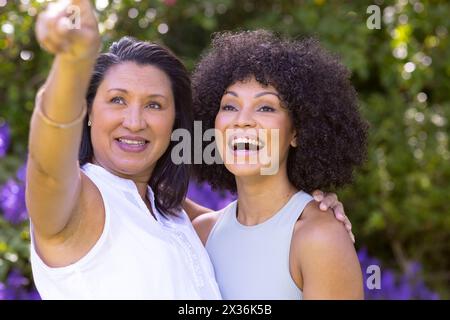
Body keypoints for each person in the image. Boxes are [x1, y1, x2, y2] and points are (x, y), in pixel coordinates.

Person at [28, 0, 352, 299]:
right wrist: (72, 64)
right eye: (117, 100)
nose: (134, 121)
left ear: (174, 124)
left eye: (154, 105)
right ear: (86, 113)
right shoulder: (77, 205)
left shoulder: (176, 217)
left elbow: (256, 227)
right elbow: (47, 167)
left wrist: (315, 214)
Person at [192, 30, 368, 299]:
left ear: (297, 132)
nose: (242, 120)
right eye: (229, 106)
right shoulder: (201, 234)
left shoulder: (319, 237)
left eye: (266, 108)